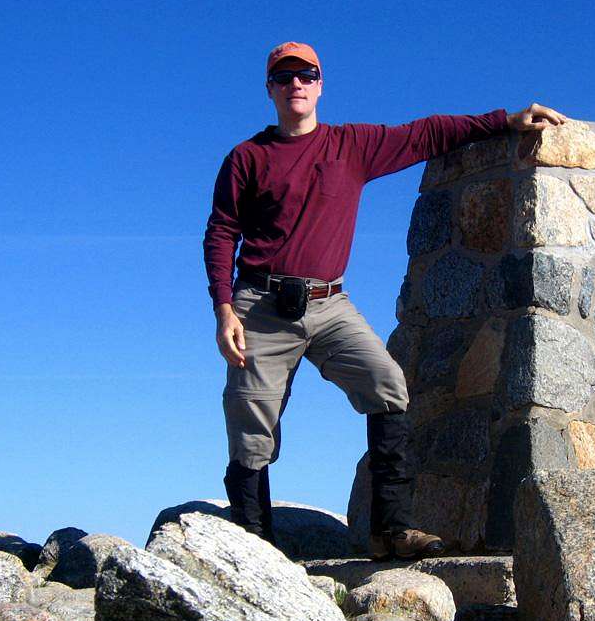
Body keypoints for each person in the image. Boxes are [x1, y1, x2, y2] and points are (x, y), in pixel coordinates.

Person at [203, 41, 567, 560]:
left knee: (388, 384)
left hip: (330, 303)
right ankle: (255, 552)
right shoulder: (247, 157)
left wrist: (505, 120)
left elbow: (427, 133)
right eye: (284, 78)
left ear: (320, 84)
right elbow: (221, 233)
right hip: (260, 305)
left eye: (306, 75)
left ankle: (390, 530)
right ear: (270, 89)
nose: (296, 85)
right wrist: (223, 309)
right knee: (251, 428)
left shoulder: (351, 145)